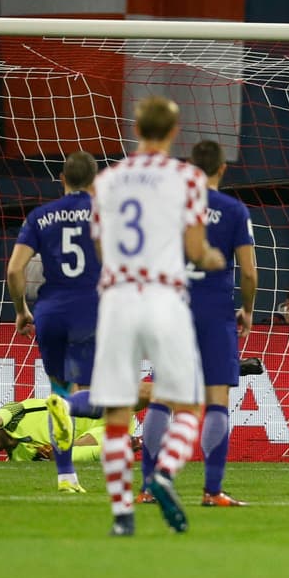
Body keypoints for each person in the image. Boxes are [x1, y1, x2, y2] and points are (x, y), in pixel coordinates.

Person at [89, 95, 227, 537]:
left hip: (117, 298)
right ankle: (165, 473)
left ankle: (122, 515)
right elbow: (194, 249)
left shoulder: (107, 180)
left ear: (136, 129)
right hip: (165, 297)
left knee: (116, 413)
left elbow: (99, 246)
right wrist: (210, 257)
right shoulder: (187, 178)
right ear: (173, 132)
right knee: (187, 402)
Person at [138, 140, 257, 508]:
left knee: (164, 396)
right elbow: (249, 273)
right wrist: (247, 310)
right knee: (216, 399)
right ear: (222, 168)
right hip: (214, 312)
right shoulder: (234, 210)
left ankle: (147, 487)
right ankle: (212, 491)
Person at [5, 151, 102, 493]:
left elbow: (15, 269)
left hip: (50, 310)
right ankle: (73, 408)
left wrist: (21, 310)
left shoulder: (40, 216)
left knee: (58, 391)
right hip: (92, 309)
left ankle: (65, 477)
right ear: (95, 182)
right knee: (103, 395)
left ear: (62, 178)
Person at [0, 396, 121, 464]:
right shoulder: (18, 459)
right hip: (106, 435)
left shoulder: (14, 411)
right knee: (61, 455)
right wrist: (47, 455)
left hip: (101, 410)